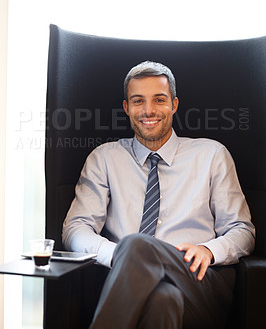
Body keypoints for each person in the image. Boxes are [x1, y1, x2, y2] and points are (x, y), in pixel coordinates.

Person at [62, 61, 255, 329]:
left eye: (159, 100)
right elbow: (75, 229)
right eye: (138, 101)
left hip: (198, 280)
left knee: (137, 246)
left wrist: (208, 251)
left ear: (174, 105)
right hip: (127, 285)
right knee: (162, 301)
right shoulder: (104, 159)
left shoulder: (212, 155)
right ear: (127, 108)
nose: (149, 110)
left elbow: (242, 230)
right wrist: (125, 256)